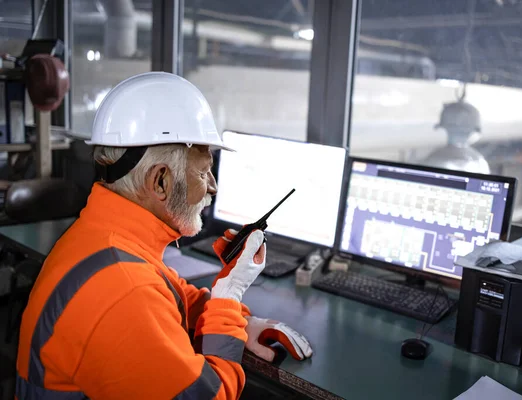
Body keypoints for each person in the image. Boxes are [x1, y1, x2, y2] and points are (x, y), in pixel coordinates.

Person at [15, 72, 313, 399]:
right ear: (160, 182)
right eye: (203, 171)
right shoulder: (126, 288)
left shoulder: (102, 236)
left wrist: (241, 321)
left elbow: (171, 296)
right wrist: (230, 295)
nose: (212, 186)